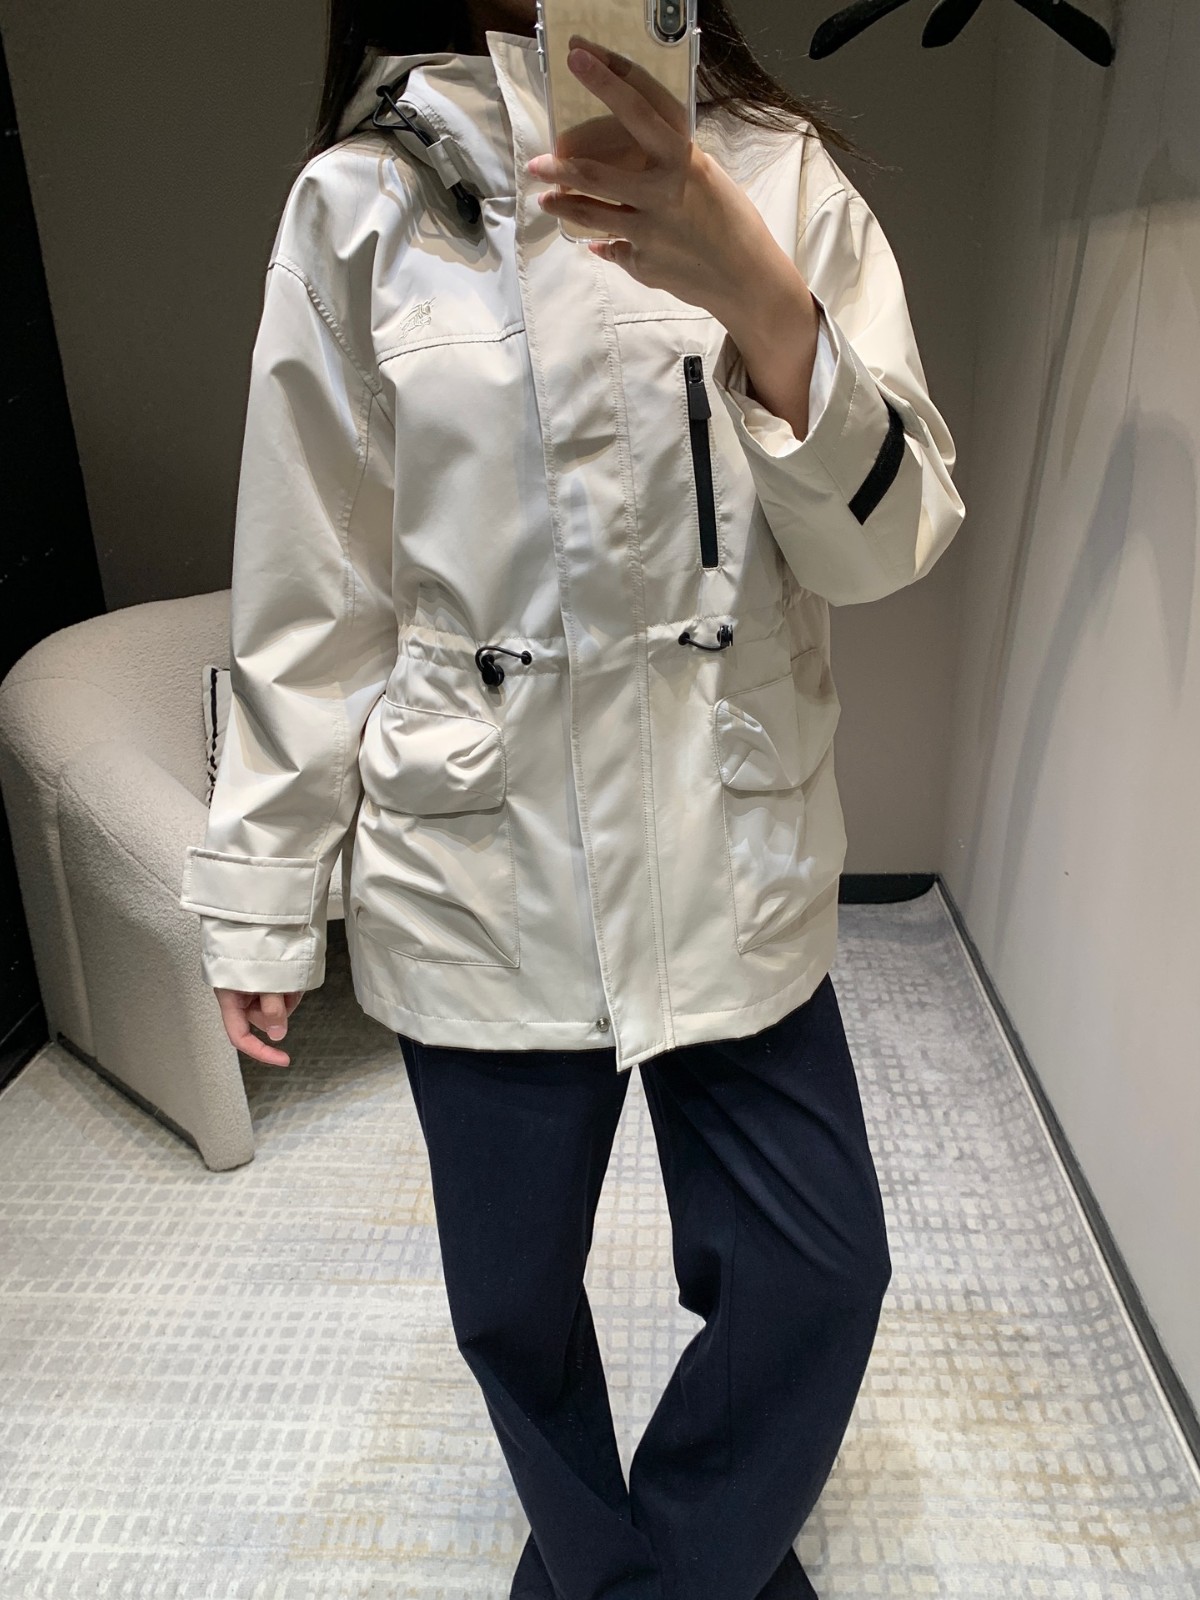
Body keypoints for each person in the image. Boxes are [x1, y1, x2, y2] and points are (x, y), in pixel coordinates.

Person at [179, 2, 967, 1595]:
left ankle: (660, 1571)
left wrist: (760, 297)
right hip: (483, 867)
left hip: (728, 842)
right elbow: (315, 586)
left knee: (819, 1275)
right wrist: (264, 891)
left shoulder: (779, 176)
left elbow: (891, 544)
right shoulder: (364, 201)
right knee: (512, 1306)